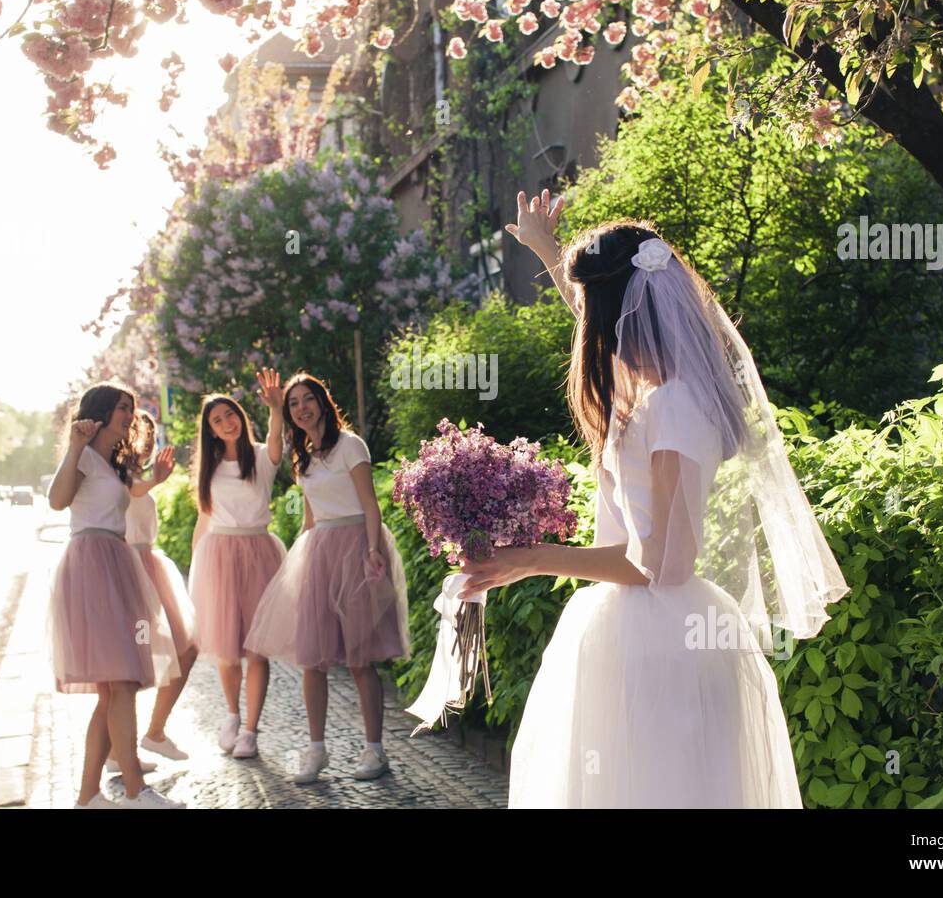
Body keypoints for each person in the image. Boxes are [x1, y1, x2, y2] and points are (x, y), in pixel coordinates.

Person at [459, 191, 850, 807]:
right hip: (649, 636)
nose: (584, 323)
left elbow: (659, 564)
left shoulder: (671, 407)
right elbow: (603, 318)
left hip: (661, 646)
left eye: (589, 306)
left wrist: (529, 558)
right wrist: (549, 252)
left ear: (614, 312)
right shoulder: (657, 390)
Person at [245, 373, 410, 784]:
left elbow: (371, 504)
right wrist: (297, 565)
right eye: (294, 402)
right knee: (311, 659)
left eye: (308, 399)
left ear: (323, 400)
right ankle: (316, 750)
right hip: (319, 552)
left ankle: (375, 751)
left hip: (356, 546)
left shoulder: (350, 446)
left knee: (360, 658)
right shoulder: (302, 455)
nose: (302, 407)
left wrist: (373, 551)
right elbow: (310, 516)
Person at [45, 382, 184, 809]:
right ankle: (136, 789)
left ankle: (88, 796)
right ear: (103, 411)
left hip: (117, 563)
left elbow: (129, 491)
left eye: (132, 408)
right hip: (90, 566)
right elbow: (56, 500)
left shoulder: (115, 465)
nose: (130, 414)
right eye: (124, 407)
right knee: (120, 680)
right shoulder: (84, 455)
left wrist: (154, 481)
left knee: (115, 688)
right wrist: (73, 445)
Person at [188, 369, 287, 759]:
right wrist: (197, 569)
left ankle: (250, 731)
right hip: (219, 555)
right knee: (226, 650)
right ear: (211, 430)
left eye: (231, 415)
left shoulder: (261, 457)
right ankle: (230, 715)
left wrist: (277, 409)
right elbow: (204, 518)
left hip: (258, 553)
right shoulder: (209, 469)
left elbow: (278, 445)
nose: (227, 423)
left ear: (241, 417)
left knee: (257, 650)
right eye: (217, 420)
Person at [115, 408, 198, 768]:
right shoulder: (114, 471)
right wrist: (155, 480)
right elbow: (129, 492)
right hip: (129, 571)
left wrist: (152, 479)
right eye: (138, 433)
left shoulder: (136, 474)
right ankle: (118, 752)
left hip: (150, 566)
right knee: (133, 660)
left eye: (149, 436)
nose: (145, 442)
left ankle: (154, 732)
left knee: (184, 649)